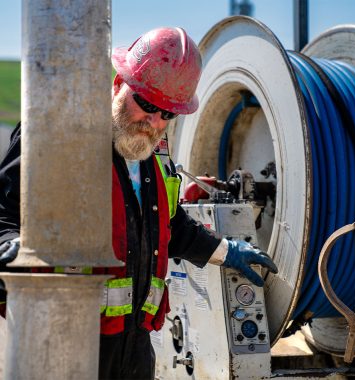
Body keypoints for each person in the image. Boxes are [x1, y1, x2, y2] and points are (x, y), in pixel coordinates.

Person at [0, 27, 277, 379]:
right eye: (146, 104)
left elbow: (169, 227)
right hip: (66, 343)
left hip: (135, 349)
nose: (154, 122)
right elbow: (5, 212)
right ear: (119, 85)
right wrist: (8, 246)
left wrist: (224, 251)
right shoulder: (59, 136)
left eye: (168, 114)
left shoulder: (154, 157)